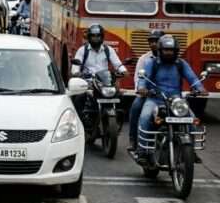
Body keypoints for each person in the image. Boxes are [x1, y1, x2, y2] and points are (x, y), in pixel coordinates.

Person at [136, 35, 207, 164]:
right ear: (160, 50)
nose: (168, 53)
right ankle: (142, 151)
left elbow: (192, 78)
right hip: (156, 99)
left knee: (192, 120)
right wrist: (142, 88)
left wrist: (199, 88)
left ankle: (190, 152)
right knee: (145, 117)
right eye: (166, 50)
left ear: (176, 51)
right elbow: (143, 78)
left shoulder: (181, 64)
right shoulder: (152, 63)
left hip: (176, 101)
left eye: (171, 50)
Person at [70, 24, 128, 114]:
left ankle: (119, 115)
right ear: (89, 37)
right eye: (93, 36)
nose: (96, 38)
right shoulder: (82, 50)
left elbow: (118, 64)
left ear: (102, 37)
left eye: (98, 36)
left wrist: (123, 71)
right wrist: (77, 73)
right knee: (79, 98)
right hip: (88, 82)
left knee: (120, 96)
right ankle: (79, 119)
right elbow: (75, 68)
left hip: (104, 82)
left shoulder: (108, 50)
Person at [128, 29, 164, 151]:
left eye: (156, 41)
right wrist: (141, 89)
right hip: (149, 95)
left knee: (188, 115)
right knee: (135, 107)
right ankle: (133, 139)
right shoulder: (144, 59)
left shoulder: (172, 58)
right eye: (151, 41)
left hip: (167, 96)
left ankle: (189, 147)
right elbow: (139, 78)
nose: (153, 44)